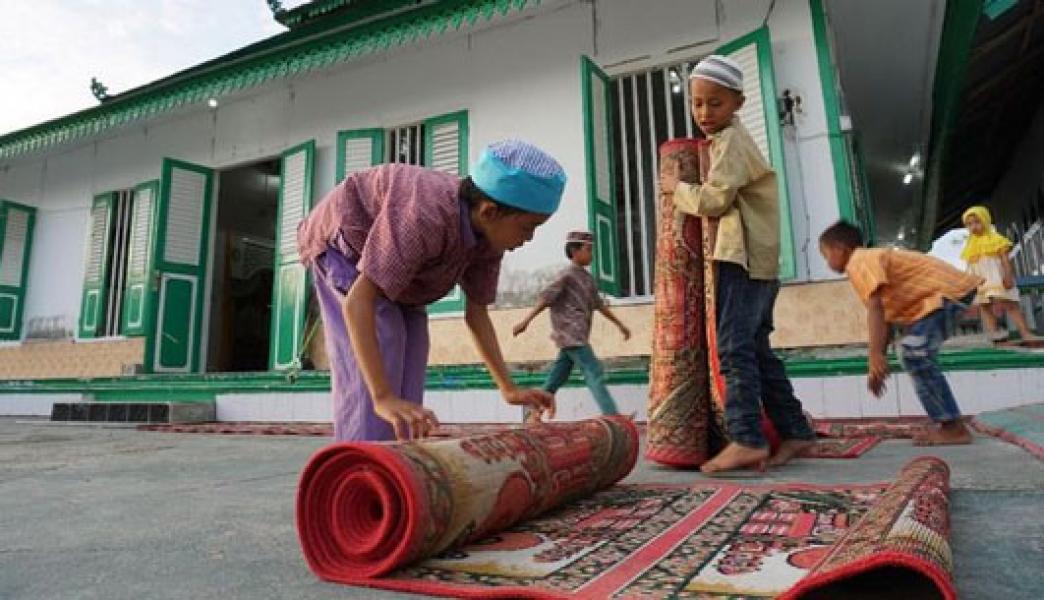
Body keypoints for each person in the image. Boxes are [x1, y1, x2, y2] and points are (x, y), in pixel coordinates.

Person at [297, 140, 566, 441]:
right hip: (345, 246)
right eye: (528, 227)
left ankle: (400, 462)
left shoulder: (488, 242)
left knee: (414, 348)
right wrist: (382, 396)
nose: (529, 238)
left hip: (406, 278)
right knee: (386, 337)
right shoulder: (424, 216)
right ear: (489, 211)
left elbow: (476, 314)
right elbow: (358, 303)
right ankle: (363, 465)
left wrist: (508, 388)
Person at [660, 54, 815, 472]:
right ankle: (796, 431)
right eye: (697, 103)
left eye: (716, 103)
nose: (704, 113)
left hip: (741, 260)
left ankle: (746, 438)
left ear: (738, 103)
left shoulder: (728, 143)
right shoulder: (733, 141)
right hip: (760, 263)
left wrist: (677, 189)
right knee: (758, 350)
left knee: (735, 348)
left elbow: (714, 200)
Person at [819, 221, 979, 446]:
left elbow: (876, 309)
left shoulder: (860, 260)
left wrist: (875, 355)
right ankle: (949, 423)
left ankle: (952, 427)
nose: (827, 263)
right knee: (912, 352)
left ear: (839, 249)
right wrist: (877, 362)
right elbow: (884, 319)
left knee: (914, 353)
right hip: (946, 295)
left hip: (944, 294)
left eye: (826, 255)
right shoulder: (868, 264)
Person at [512, 231, 631, 420]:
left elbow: (598, 305)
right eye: (588, 250)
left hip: (577, 335)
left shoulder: (588, 279)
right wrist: (525, 321)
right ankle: (612, 415)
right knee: (593, 371)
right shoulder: (566, 276)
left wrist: (620, 325)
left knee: (556, 378)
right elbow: (546, 299)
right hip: (570, 334)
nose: (592, 255)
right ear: (574, 251)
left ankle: (533, 413)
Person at [960, 205, 1036, 343]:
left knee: (1010, 305)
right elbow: (971, 266)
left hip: (997, 278)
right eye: (969, 224)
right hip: (981, 281)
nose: (973, 227)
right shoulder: (970, 245)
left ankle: (1025, 334)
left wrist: (1007, 276)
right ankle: (994, 337)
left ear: (985, 221)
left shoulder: (996, 239)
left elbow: (1005, 260)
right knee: (985, 307)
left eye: (977, 222)